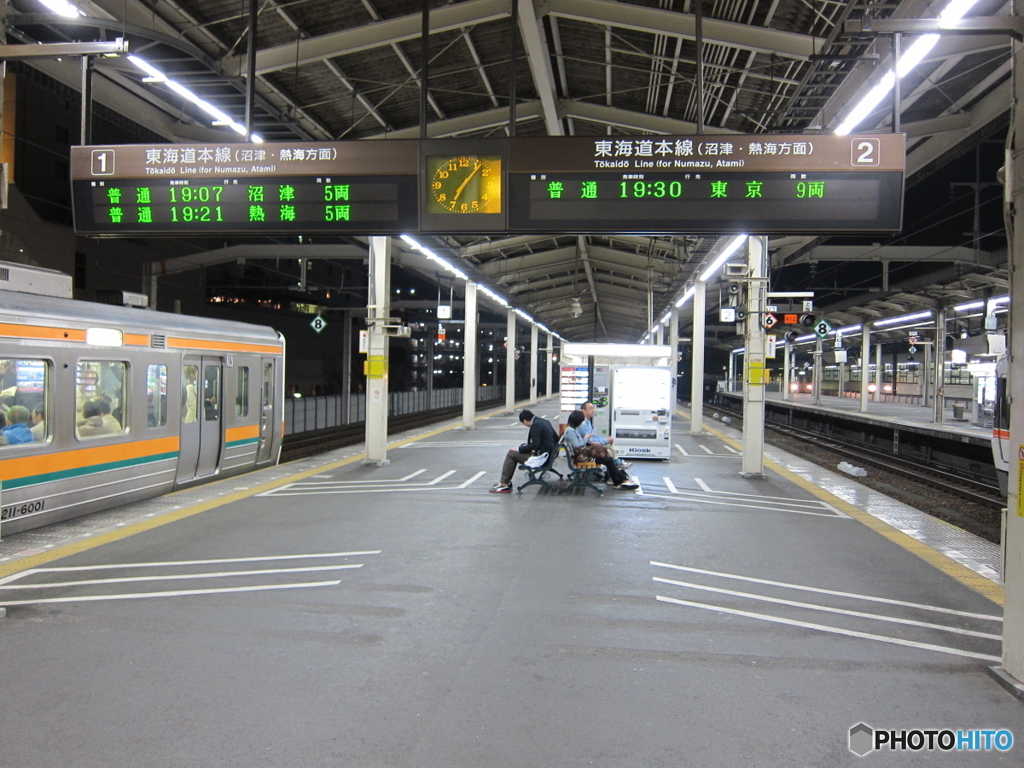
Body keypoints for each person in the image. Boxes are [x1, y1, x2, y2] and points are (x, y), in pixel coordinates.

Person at [563, 409, 637, 489]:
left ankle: (621, 479)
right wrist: (586, 438)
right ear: (577, 422)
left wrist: (587, 441)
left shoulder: (573, 429)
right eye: (581, 421)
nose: (582, 423)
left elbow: (579, 445)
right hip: (582, 458)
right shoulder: (570, 431)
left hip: (583, 455)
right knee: (608, 460)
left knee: (608, 458)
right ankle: (619, 481)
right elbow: (577, 446)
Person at [490, 409, 557, 494]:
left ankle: (504, 484)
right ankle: (505, 481)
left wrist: (519, 449)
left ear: (525, 421)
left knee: (511, 454)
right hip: (548, 455)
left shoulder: (536, 425)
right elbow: (556, 438)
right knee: (516, 451)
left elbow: (534, 445)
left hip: (541, 458)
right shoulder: (545, 422)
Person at [580, 401, 632, 470]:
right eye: (590, 408)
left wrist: (606, 439)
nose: (593, 410)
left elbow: (594, 436)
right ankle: (618, 464)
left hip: (589, 446)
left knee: (608, 445)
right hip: (587, 449)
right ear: (584, 410)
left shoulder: (588, 422)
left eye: (593, 408)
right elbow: (591, 440)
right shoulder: (583, 424)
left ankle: (618, 464)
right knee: (607, 448)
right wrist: (606, 440)